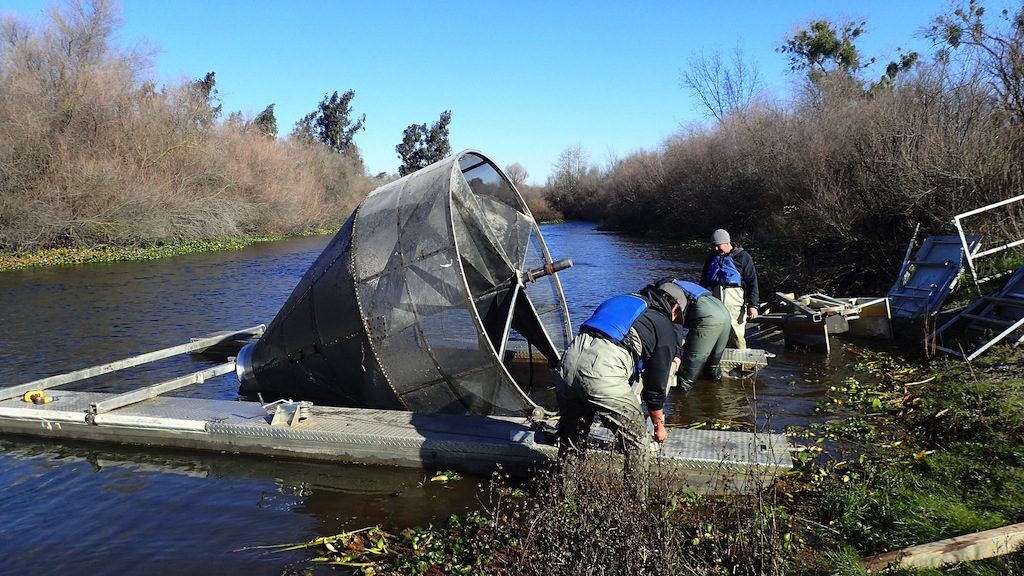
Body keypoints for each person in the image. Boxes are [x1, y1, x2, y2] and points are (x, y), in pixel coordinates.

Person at [555, 280, 688, 485]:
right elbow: (655, 387)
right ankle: (635, 508)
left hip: (568, 362)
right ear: (675, 307)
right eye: (678, 317)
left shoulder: (620, 300)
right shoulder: (663, 323)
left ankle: (565, 502)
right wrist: (659, 427)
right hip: (603, 369)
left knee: (572, 439)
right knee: (638, 442)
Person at [700, 228, 760, 349]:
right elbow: (704, 281)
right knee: (713, 331)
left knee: (736, 334)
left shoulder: (743, 257)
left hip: (735, 301)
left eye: (718, 245)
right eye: (713, 246)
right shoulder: (711, 257)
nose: (715, 249)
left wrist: (753, 306)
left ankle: (741, 360)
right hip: (714, 300)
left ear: (727, 243)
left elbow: (752, 282)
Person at [673, 278, 732, 390]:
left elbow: (676, 326)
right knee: (712, 367)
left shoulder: (665, 294)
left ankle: (683, 404)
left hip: (707, 316)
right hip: (723, 312)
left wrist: (676, 353)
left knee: (686, 377)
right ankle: (719, 397)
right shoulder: (680, 285)